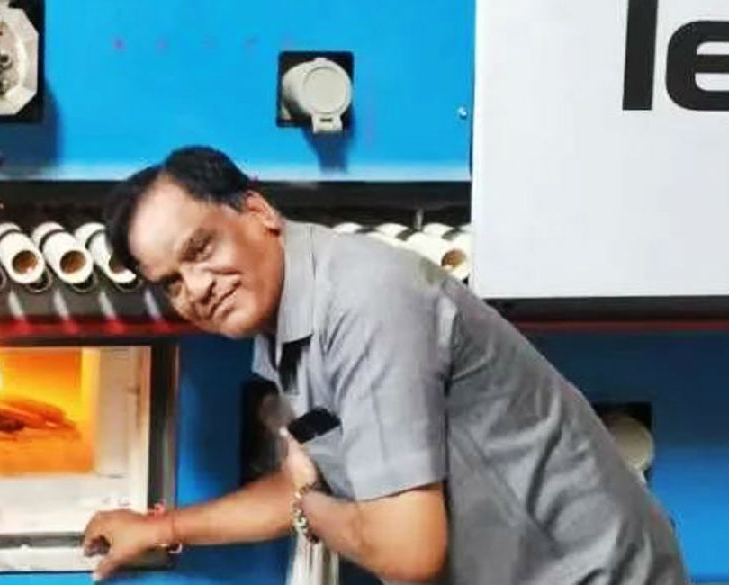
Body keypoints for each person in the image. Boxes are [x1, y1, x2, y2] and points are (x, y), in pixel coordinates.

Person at [83, 146, 688, 584]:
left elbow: (406, 551)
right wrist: (162, 529)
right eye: (172, 282)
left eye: (201, 249)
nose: (196, 288)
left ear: (257, 211)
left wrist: (309, 507)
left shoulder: (363, 300)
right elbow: (311, 481)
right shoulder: (287, 322)